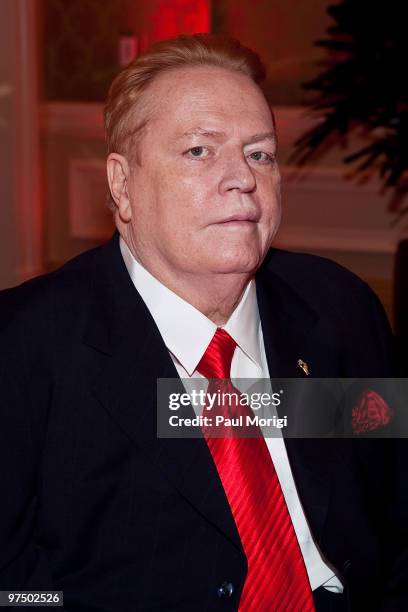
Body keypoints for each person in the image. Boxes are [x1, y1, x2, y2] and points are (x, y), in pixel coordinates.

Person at [0, 34, 406, 612]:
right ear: (122, 185)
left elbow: (394, 520)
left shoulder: (337, 309)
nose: (242, 177)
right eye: (199, 151)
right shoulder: (23, 348)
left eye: (259, 153)